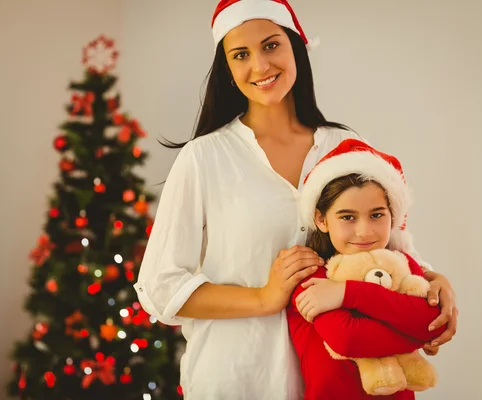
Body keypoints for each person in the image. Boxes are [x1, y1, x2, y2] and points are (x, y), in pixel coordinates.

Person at [133, 1, 457, 398]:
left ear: (295, 47)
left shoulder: (347, 149)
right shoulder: (205, 157)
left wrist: (433, 282)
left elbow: (386, 246)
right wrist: (265, 297)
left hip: (342, 383)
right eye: (241, 55)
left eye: (271, 46)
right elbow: (161, 285)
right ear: (229, 70)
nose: (260, 65)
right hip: (238, 378)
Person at [287, 138, 448, 399]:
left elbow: (433, 323)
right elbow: (348, 340)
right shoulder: (312, 274)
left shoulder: (403, 265)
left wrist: (347, 293)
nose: (364, 231)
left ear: (392, 215)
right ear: (321, 219)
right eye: (348, 217)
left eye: (376, 215)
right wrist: (414, 332)